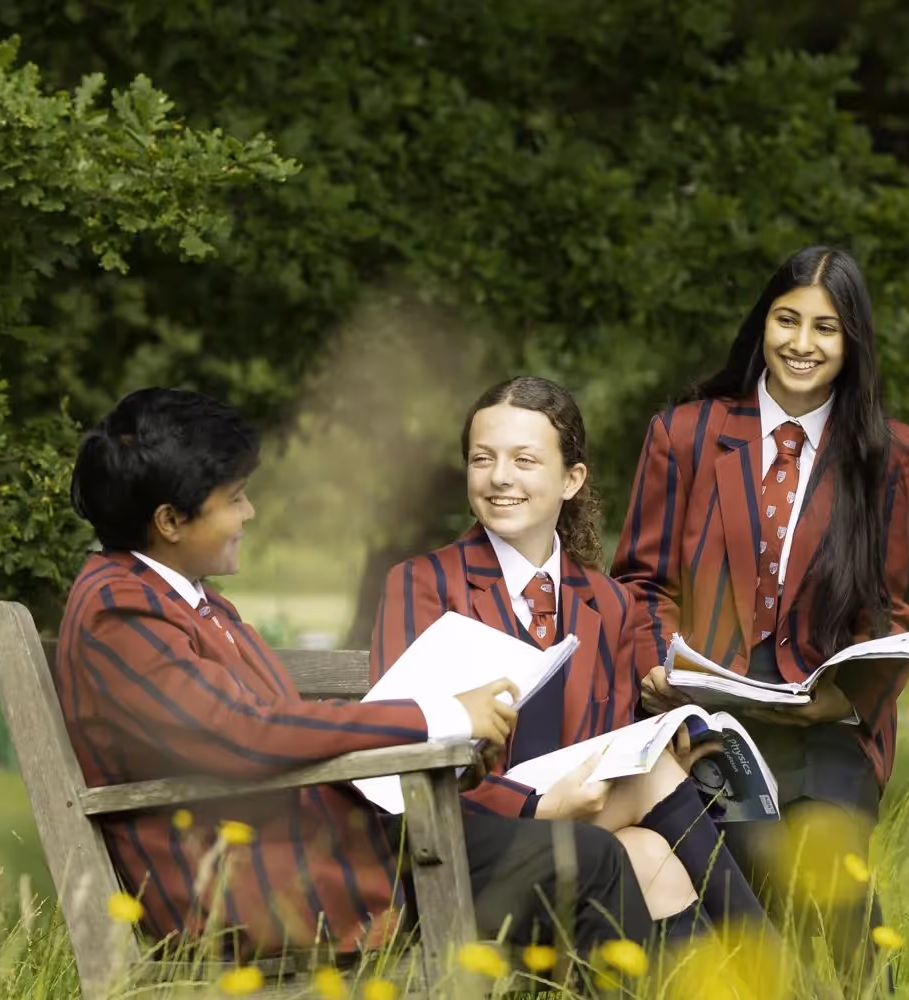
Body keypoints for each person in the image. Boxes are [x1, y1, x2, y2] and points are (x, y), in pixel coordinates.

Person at [56, 387, 651, 963]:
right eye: (234, 498)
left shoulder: (183, 599)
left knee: (590, 857)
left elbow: (261, 725)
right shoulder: (122, 609)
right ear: (169, 520)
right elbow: (240, 731)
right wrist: (440, 715)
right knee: (588, 862)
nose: (250, 513)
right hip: (264, 886)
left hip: (320, 849)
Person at [613, 245, 909, 992]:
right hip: (706, 702)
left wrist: (847, 696)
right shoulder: (685, 435)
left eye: (826, 327)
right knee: (757, 857)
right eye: (787, 320)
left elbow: (896, 608)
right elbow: (640, 580)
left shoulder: (891, 454)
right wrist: (659, 663)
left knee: (837, 879)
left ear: (851, 342)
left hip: (824, 714)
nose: (802, 343)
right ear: (762, 325)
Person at [369, 375, 770, 939]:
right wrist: (540, 806)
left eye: (524, 460)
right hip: (461, 842)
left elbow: (616, 740)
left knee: (649, 851)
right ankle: (779, 968)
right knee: (648, 800)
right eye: (482, 459)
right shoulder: (423, 585)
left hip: (586, 838)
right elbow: (408, 748)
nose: (499, 477)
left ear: (572, 479)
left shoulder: (607, 602)